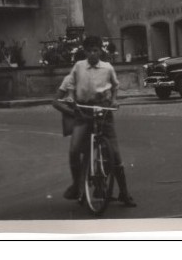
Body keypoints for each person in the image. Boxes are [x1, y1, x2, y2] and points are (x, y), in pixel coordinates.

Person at [56, 35, 136, 207]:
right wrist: (72, 102)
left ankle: (124, 192)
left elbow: (115, 86)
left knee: (114, 153)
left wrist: (114, 100)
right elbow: (66, 89)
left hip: (104, 113)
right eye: (89, 50)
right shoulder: (79, 67)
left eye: (96, 50)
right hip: (84, 112)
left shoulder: (107, 68)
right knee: (74, 149)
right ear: (84, 52)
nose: (93, 54)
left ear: (101, 51)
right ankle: (76, 185)